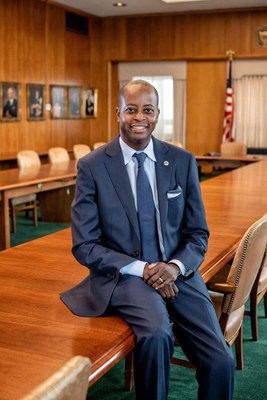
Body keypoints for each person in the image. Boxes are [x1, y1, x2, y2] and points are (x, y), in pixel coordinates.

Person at [61, 79, 235, 400]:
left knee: (222, 358)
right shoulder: (92, 166)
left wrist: (174, 267)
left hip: (178, 274)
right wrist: (144, 270)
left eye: (147, 110)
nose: (139, 117)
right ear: (117, 113)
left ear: (157, 114)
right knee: (156, 335)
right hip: (125, 276)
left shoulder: (181, 161)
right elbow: (84, 245)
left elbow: (197, 233)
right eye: (131, 110)